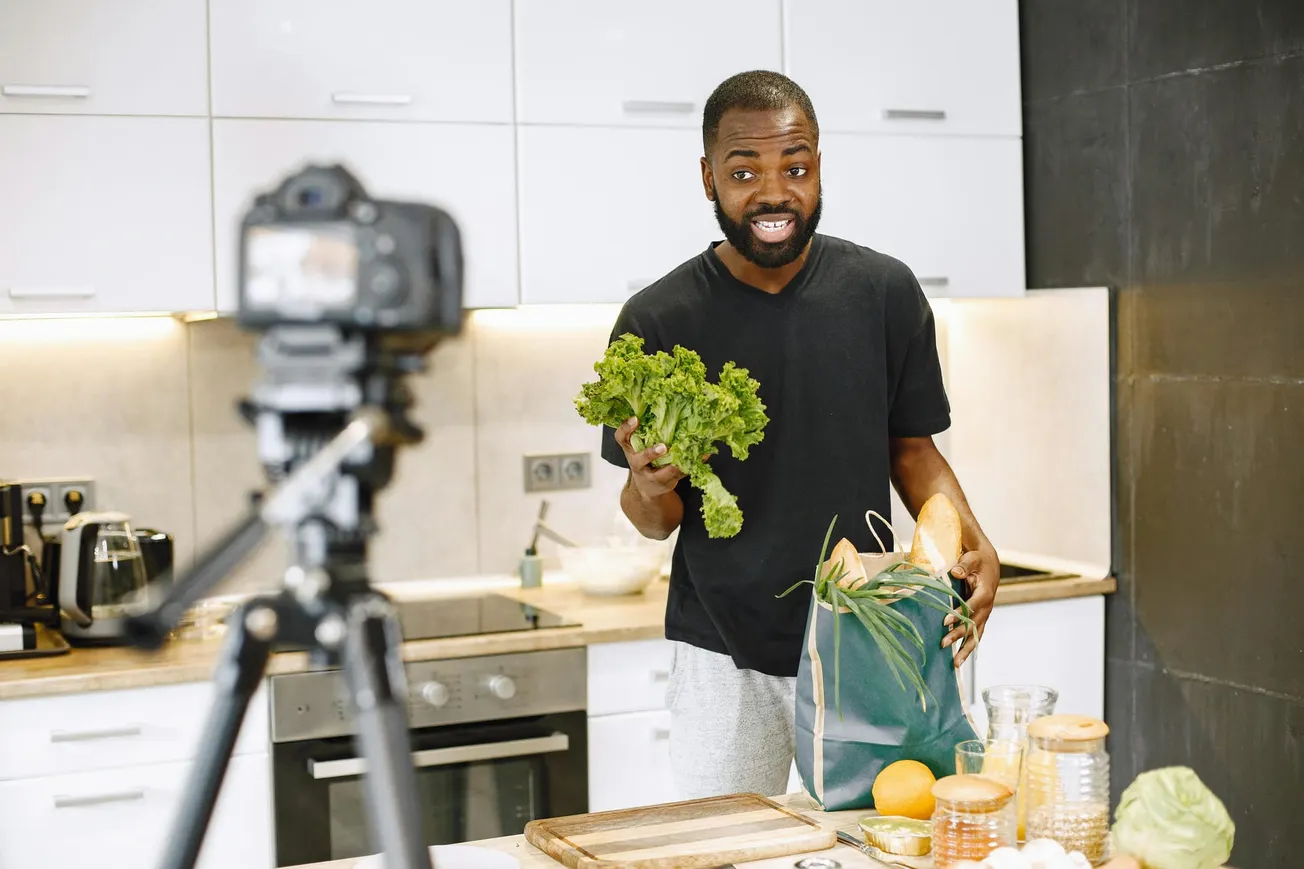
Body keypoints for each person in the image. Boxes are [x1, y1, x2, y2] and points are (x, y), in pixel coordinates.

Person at [598, 70, 1000, 800]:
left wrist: (974, 540)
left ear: (818, 167)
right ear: (708, 178)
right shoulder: (658, 319)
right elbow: (653, 522)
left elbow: (912, 450)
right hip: (722, 656)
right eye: (744, 171)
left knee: (874, 840)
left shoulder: (884, 292)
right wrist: (647, 484)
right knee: (724, 851)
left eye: (796, 167)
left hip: (865, 638)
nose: (774, 192)